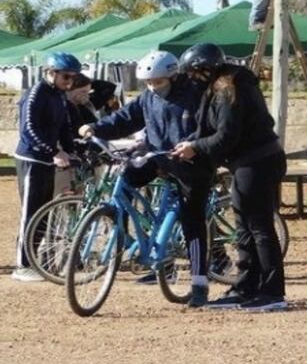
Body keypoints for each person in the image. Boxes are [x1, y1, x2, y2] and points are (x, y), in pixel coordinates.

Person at [79, 51, 213, 308]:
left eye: (158, 82)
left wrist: (193, 146)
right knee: (126, 178)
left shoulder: (195, 96)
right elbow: (125, 118)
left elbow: (207, 128)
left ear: (173, 76)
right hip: (158, 157)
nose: (153, 86)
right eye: (148, 83)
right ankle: (128, 235)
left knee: (192, 220)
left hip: (191, 164)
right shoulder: (147, 99)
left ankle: (199, 283)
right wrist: (96, 128)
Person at [171, 43, 287, 312]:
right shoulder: (220, 88)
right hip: (247, 163)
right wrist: (191, 143)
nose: (191, 78)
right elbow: (209, 130)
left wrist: (196, 148)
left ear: (206, 69)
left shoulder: (229, 91)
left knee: (259, 228)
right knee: (244, 228)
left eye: (194, 72)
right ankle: (247, 285)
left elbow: (226, 137)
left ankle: (272, 292)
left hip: (258, 162)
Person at [12, 52, 79, 282]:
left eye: (73, 78)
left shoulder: (59, 96)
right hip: (31, 160)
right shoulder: (35, 94)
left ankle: (33, 260)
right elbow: (28, 130)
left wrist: (73, 151)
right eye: (66, 77)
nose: (70, 82)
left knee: (43, 213)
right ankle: (22, 265)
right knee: (30, 212)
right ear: (51, 73)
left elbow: (64, 128)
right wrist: (54, 151)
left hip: (48, 161)